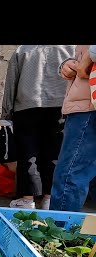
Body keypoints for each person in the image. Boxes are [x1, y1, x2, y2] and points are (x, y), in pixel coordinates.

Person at [0, 45, 76, 210]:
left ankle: (27, 199)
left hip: (27, 105)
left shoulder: (23, 49)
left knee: (27, 153)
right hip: (60, 105)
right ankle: (49, 199)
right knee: (54, 154)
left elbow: (11, 82)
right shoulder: (71, 48)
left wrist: (6, 114)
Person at [50, 45, 96, 212]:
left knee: (69, 177)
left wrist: (91, 55)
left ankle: (59, 236)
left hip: (88, 105)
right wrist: (69, 64)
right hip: (85, 101)